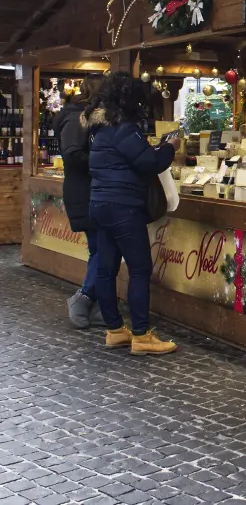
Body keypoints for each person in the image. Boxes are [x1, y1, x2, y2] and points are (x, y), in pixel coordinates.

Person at [83, 72, 182, 356]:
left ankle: (115, 330)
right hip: (123, 207)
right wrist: (169, 148)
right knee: (139, 269)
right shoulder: (124, 129)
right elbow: (149, 163)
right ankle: (141, 335)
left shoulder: (100, 128)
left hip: (100, 204)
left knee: (106, 269)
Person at [55, 74, 115, 328]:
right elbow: (71, 153)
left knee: (102, 249)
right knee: (102, 250)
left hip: (93, 191)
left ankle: (102, 304)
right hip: (85, 193)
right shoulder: (75, 119)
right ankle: (85, 297)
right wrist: (102, 161)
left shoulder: (91, 119)